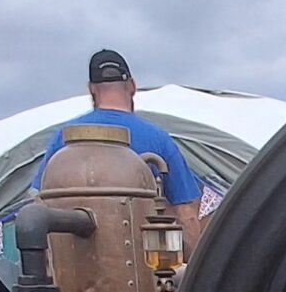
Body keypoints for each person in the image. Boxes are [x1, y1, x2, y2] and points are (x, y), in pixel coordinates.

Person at [42, 49, 208, 255]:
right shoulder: (159, 140)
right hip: (143, 270)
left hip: (75, 272)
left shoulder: (64, 139)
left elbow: (39, 205)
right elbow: (187, 214)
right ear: (132, 86)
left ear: (92, 89)